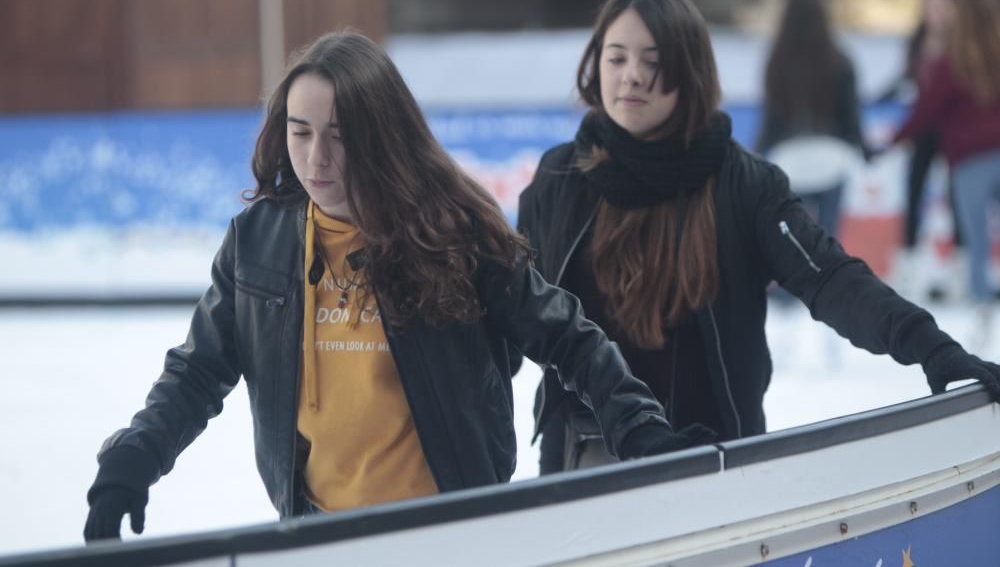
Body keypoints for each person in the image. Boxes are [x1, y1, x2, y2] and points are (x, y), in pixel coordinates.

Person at [83, 31, 712, 541]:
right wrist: (136, 456)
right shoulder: (259, 241)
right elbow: (198, 371)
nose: (316, 158)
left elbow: (569, 339)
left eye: (339, 135)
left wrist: (641, 433)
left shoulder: (454, 233)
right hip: (316, 534)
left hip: (449, 536)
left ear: (381, 135)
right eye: (301, 132)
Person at [518, 0, 1000, 475]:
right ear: (595, 67)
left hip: (715, 465)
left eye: (653, 59)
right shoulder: (559, 178)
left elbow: (832, 278)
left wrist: (929, 345)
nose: (632, 76)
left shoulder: (743, 184)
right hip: (582, 463)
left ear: (690, 69)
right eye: (616, 58)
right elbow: (515, 311)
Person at [892, 0, 1000, 327]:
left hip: (969, 158)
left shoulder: (951, 61)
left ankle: (981, 309)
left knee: (974, 235)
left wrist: (895, 139)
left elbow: (927, 110)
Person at [757, 0, 868, 237]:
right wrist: (864, 151)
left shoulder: (777, 62)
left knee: (797, 245)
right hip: (833, 158)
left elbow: (770, 120)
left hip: (790, 161)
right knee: (829, 244)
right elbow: (851, 118)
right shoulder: (840, 60)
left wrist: (757, 156)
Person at [882, 0, 963, 300]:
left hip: (956, 132)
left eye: (943, 6)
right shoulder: (917, 42)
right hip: (923, 131)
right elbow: (906, 78)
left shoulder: (962, 43)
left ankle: (958, 276)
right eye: (932, 6)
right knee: (914, 194)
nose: (938, 13)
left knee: (958, 201)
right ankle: (909, 273)